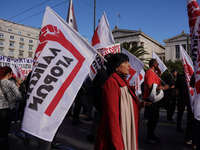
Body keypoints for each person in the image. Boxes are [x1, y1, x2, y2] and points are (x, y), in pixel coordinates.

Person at [95, 53, 142, 150]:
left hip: (125, 129)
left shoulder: (123, 81)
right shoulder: (112, 83)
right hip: (118, 134)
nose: (129, 65)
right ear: (116, 67)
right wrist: (117, 143)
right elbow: (112, 116)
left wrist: (141, 104)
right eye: (125, 62)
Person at [143, 58, 169, 144]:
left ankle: (152, 135)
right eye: (157, 64)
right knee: (152, 119)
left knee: (155, 118)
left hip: (155, 99)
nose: (158, 65)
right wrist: (163, 88)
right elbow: (150, 86)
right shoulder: (150, 73)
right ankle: (149, 137)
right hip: (151, 99)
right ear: (154, 65)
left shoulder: (154, 73)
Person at [0, 66, 22, 150]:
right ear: (8, 74)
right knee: (3, 134)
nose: (12, 75)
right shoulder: (10, 83)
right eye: (12, 74)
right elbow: (19, 97)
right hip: (5, 111)